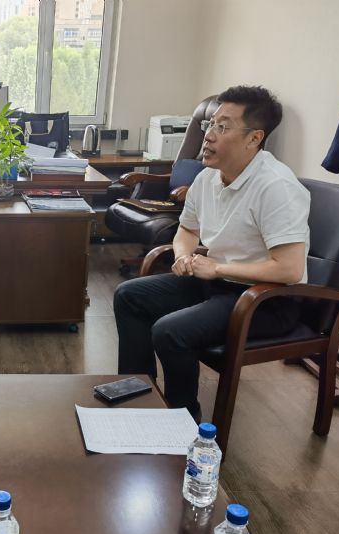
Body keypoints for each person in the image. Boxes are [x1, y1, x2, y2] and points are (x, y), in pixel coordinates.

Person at [113, 86, 310, 421]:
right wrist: (182, 256)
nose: (209, 135)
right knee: (129, 296)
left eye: (223, 127)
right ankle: (137, 401)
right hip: (217, 283)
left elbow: (289, 269)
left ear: (254, 138)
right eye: (210, 124)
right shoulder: (207, 179)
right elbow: (188, 230)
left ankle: (182, 423)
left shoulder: (276, 186)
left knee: (170, 331)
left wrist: (217, 268)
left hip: (266, 300)